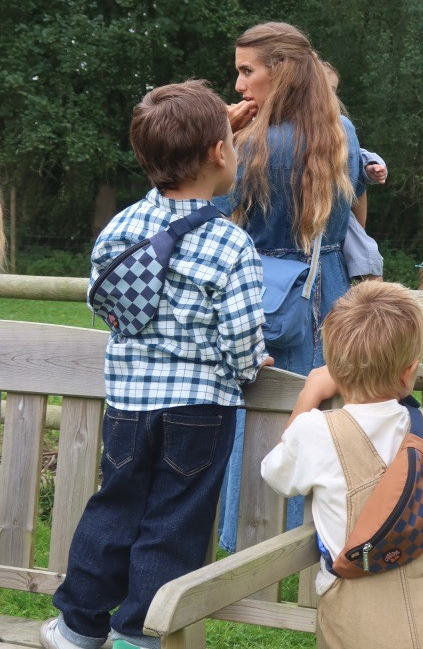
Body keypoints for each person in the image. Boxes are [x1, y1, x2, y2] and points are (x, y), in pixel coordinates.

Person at [40, 80, 271, 649]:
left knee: (113, 511)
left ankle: (76, 629)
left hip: (128, 405)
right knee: (173, 523)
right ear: (221, 153)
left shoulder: (118, 229)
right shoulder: (231, 245)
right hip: (199, 409)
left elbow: (109, 306)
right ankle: (138, 637)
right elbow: (241, 336)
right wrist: (247, 363)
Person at [261, 281, 423, 649]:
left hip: (357, 629)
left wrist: (310, 393)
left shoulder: (317, 432)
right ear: (410, 373)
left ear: (333, 367)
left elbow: (275, 471)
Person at [215, 22, 365, 552]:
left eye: (246, 71)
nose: (238, 85)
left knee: (253, 415)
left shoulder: (250, 145)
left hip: (259, 295)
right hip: (332, 296)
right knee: (328, 419)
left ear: (278, 73)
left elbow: (206, 213)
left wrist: (222, 141)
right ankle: (320, 538)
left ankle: (244, 539)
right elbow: (358, 195)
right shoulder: (342, 133)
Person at [321, 60, 386, 280]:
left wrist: (370, 167)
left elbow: (356, 161)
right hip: (319, 216)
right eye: (323, 89)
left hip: (336, 214)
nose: (331, 98)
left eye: (333, 91)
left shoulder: (340, 127)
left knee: (365, 248)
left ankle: (373, 291)